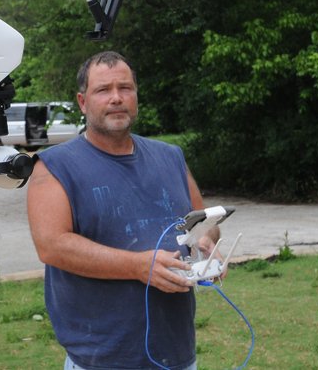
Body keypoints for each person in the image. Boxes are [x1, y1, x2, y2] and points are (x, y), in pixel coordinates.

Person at [26, 51, 220, 370]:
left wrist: (205, 244)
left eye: (125, 88)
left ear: (136, 96)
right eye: (103, 90)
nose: (116, 98)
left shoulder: (170, 156)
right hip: (100, 358)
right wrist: (137, 266)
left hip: (178, 353)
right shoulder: (54, 166)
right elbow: (52, 245)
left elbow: (204, 220)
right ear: (82, 102)